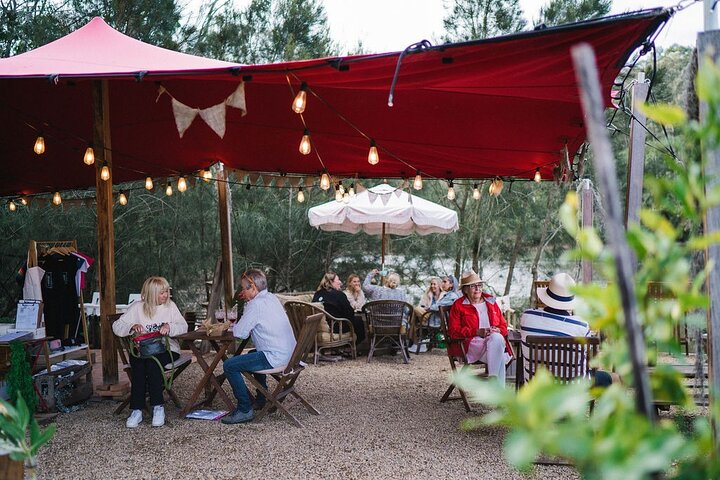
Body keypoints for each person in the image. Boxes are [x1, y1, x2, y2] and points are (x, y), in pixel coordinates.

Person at [112, 276, 188, 428]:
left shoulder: (170, 307)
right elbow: (117, 326)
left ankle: (158, 406)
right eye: (161, 293)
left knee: (153, 363)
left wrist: (169, 327)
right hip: (143, 351)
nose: (165, 295)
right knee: (139, 364)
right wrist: (132, 326)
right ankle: (137, 410)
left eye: (166, 291)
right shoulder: (137, 307)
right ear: (151, 293)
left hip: (168, 349)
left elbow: (184, 327)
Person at [222, 269, 296, 424]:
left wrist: (231, 325)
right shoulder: (271, 298)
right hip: (291, 355)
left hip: (275, 357)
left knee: (229, 365)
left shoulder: (255, 304)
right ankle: (262, 398)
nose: (242, 291)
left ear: (253, 288)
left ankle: (244, 409)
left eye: (243, 288)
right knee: (255, 353)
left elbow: (240, 333)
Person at [519, 272, 612, 386]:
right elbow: (589, 361)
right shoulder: (581, 325)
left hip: (536, 388)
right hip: (572, 390)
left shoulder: (527, 317)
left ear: (546, 297)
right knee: (613, 378)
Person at [448, 271, 513, 386]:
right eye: (473, 286)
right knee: (500, 357)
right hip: (472, 345)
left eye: (479, 285)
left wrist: (499, 330)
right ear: (465, 290)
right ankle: (499, 393)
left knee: (496, 337)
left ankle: (493, 377)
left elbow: (503, 326)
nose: (477, 289)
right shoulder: (458, 305)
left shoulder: (491, 302)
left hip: (493, 344)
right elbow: (453, 332)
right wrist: (476, 332)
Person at [313, 272, 366, 344]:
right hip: (337, 326)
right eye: (338, 280)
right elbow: (349, 313)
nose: (340, 282)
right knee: (358, 321)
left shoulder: (317, 294)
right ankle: (354, 347)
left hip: (319, 327)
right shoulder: (339, 294)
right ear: (331, 281)